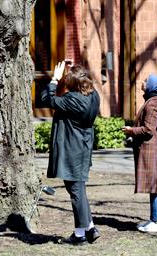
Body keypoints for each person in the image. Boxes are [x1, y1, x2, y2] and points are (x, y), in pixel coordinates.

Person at [41, 61, 101, 245]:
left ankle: (82, 234)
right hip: (83, 147)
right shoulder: (94, 96)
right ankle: (88, 228)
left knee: (75, 190)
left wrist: (54, 79)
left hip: (72, 149)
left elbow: (46, 99)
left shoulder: (72, 100)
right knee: (79, 189)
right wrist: (74, 69)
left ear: (72, 83)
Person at [122, 74, 157, 233]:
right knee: (153, 185)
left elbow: (148, 130)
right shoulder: (153, 102)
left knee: (154, 186)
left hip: (152, 150)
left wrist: (131, 131)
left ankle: (156, 222)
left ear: (153, 87)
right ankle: (154, 219)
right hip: (152, 150)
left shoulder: (153, 104)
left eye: (146, 81)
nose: (143, 82)